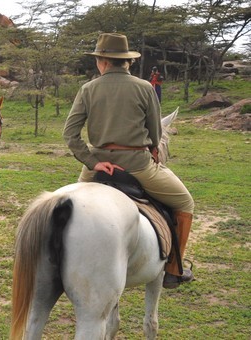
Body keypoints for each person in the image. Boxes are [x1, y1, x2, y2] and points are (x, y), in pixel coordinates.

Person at [62, 33, 194, 289]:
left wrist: (93, 162)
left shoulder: (87, 89)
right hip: (137, 165)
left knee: (72, 203)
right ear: (127, 62)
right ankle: (175, 268)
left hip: (98, 164)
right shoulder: (145, 87)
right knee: (185, 201)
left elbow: (70, 134)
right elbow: (155, 134)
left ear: (102, 61)